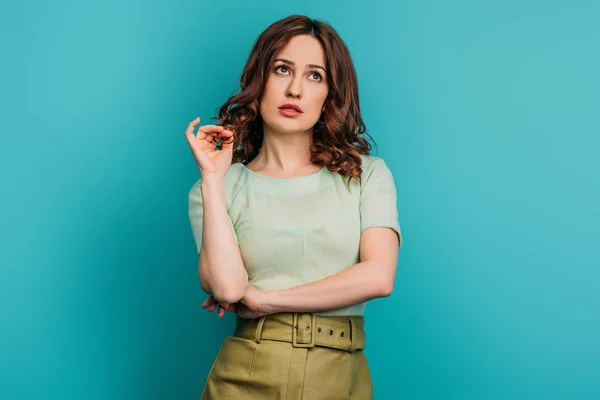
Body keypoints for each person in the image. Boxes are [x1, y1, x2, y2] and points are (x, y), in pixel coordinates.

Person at [185, 14, 402, 400]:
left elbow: (378, 277)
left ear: (330, 94)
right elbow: (228, 286)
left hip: (339, 373)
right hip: (246, 374)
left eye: (314, 75)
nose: (295, 90)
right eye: (282, 69)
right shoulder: (218, 187)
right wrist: (213, 178)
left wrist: (267, 300)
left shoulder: (367, 175)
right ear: (259, 80)